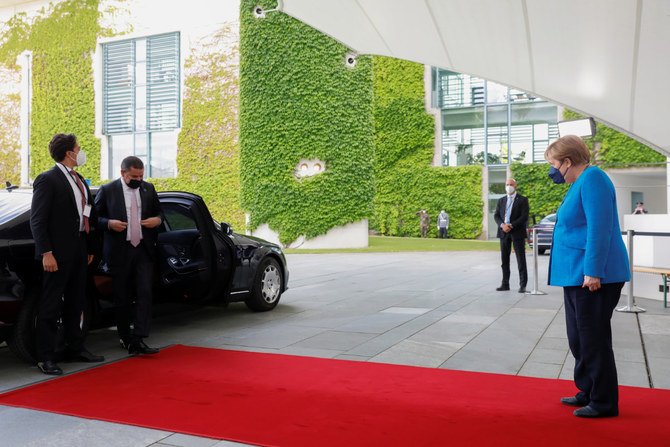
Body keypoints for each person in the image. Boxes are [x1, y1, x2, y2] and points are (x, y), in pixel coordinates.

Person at [545, 135, 630, 418]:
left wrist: (593, 270)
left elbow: (599, 227)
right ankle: (588, 389)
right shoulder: (579, 183)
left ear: (567, 161)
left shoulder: (593, 178)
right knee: (578, 338)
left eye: (554, 164)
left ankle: (604, 402)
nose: (553, 171)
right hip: (575, 275)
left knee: (593, 339)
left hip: (593, 276)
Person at [30, 133, 104, 375]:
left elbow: (87, 215)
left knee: (77, 301)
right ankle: (46, 357)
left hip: (79, 250)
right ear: (68, 153)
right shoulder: (47, 179)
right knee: (51, 305)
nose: (81, 152)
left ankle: (75, 347)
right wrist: (46, 252)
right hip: (57, 253)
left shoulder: (79, 179)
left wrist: (90, 247)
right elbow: (38, 220)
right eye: (78, 148)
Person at [94, 156, 162, 355]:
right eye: (134, 176)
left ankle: (139, 338)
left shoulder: (148, 189)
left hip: (143, 248)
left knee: (144, 293)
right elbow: (94, 219)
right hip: (119, 250)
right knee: (121, 295)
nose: (138, 179)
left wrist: (156, 220)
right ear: (123, 173)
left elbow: (160, 212)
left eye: (141, 176)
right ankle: (125, 336)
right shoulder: (107, 191)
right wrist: (109, 224)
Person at [493, 178, 528, 293]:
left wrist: (511, 225)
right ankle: (505, 284)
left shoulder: (523, 200)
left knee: (520, 259)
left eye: (511, 184)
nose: (509, 186)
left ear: (515, 185)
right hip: (503, 233)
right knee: (504, 260)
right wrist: (502, 225)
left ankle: (523, 285)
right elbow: (496, 215)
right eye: (507, 184)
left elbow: (524, 217)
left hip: (517, 232)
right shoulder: (501, 200)